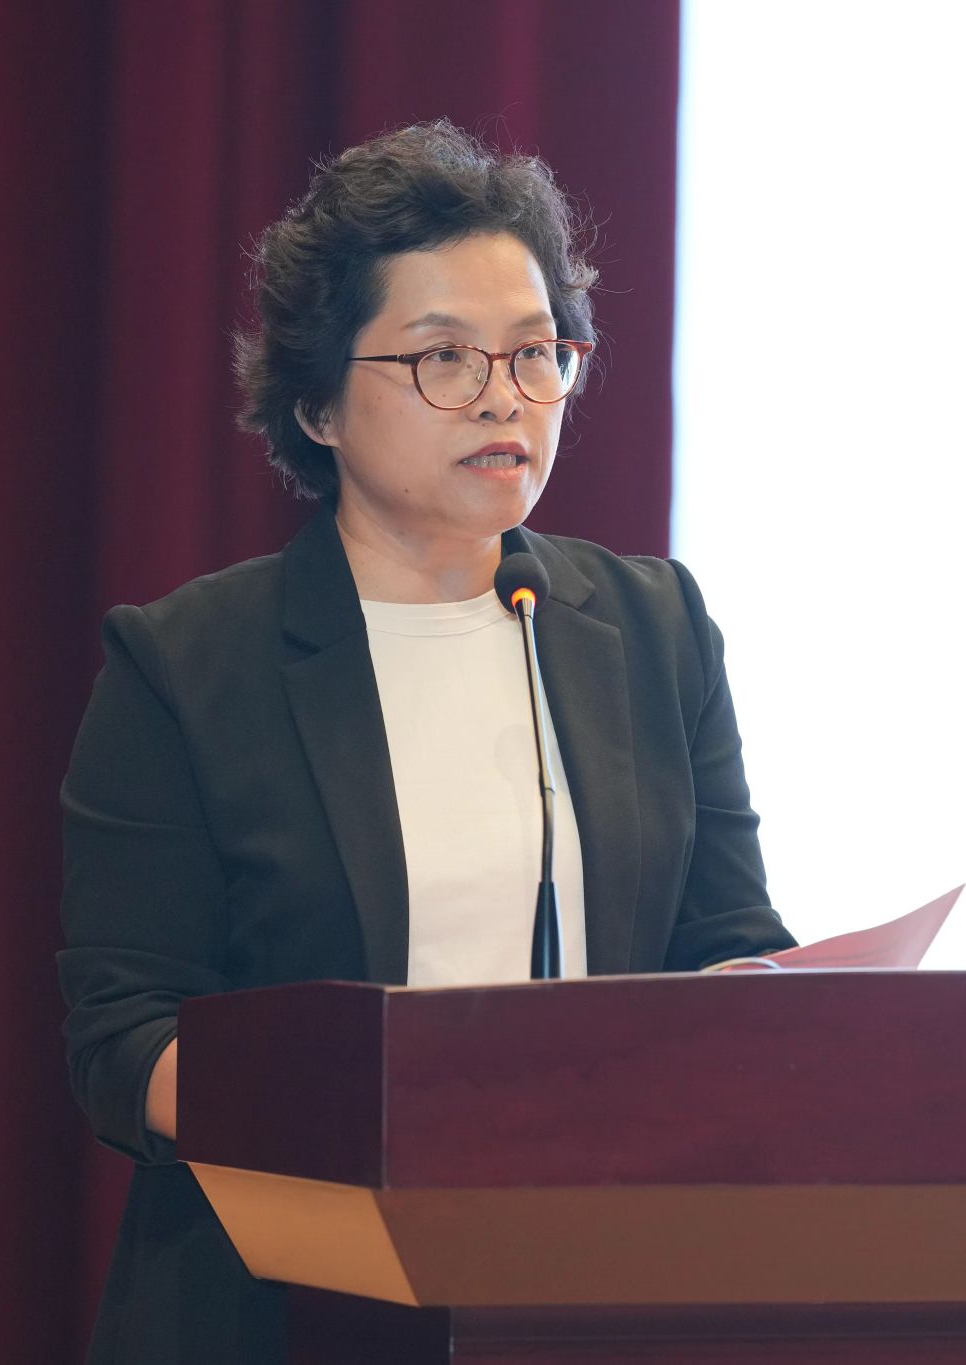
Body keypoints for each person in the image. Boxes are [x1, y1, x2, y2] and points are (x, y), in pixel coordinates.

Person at [57, 120, 794, 1364]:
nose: (503, 395)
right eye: (444, 356)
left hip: (590, 1301)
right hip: (284, 1307)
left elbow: (726, 940)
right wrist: (383, 1111)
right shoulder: (186, 666)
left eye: (535, 351)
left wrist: (766, 1011)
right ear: (317, 404)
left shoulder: (652, 627)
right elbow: (123, 1041)